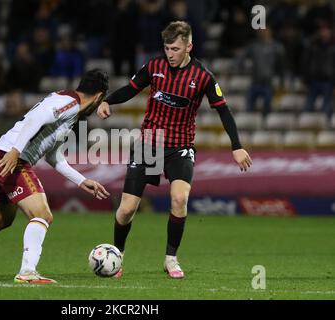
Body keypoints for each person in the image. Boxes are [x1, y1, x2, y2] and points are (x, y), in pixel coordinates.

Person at [97, 21, 252, 279]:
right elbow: (130, 89)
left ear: (189, 46)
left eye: (176, 48)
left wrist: (236, 146)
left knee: (179, 199)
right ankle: (118, 256)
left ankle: (171, 258)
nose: (170, 53)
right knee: (126, 209)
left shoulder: (203, 76)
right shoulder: (154, 67)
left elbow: (223, 110)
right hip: (149, 143)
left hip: (180, 146)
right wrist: (107, 101)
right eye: (167, 47)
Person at [0, 69, 110, 284]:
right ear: (99, 96)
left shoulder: (69, 110)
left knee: (1, 219)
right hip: (11, 158)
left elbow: (53, 155)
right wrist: (16, 151)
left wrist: (81, 180)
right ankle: (27, 272)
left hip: (3, 155)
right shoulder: (70, 103)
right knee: (42, 215)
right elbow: (35, 119)